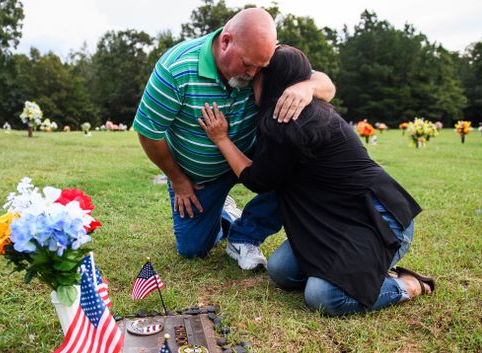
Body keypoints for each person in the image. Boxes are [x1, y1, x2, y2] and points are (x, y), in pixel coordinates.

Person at [198, 45, 434, 315]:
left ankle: (408, 285)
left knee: (323, 296)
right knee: (281, 270)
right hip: (331, 222)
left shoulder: (288, 122)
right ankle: (356, 273)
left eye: (256, 77)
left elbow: (257, 180)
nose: (251, 83)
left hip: (378, 220)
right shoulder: (299, 109)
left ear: (272, 80)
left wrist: (221, 139)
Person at [132, 8, 335, 270]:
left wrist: (307, 86)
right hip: (198, 176)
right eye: (248, 65)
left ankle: (244, 235)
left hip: (250, 153)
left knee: (297, 169)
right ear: (226, 41)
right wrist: (179, 180)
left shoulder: (263, 55)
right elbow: (149, 133)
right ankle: (224, 211)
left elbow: (326, 84)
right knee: (193, 249)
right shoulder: (176, 68)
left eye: (260, 68)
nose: (253, 74)